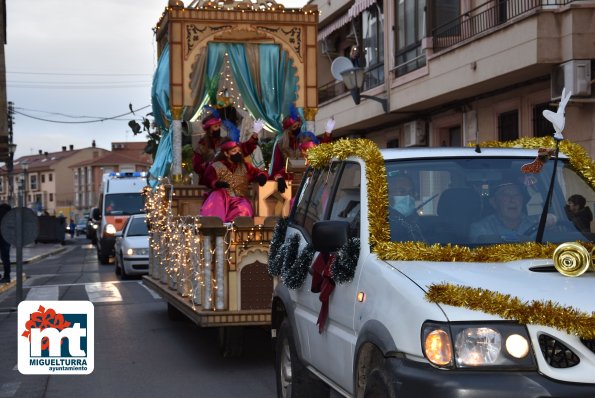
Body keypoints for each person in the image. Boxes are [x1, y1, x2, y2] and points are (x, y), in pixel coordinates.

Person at [199, 138, 269, 222]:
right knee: (217, 195)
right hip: (223, 198)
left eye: (239, 151)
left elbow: (258, 172)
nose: (238, 153)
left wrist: (262, 176)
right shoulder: (215, 166)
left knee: (244, 208)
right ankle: (215, 224)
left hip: (239, 200)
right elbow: (207, 178)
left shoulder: (245, 166)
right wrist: (216, 183)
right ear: (226, 153)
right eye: (234, 151)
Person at [469, 180, 555, 243]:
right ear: (494, 203)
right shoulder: (481, 229)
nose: (512, 199)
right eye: (506, 195)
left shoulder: (537, 224)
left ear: (522, 200)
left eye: (516, 194)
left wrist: (553, 219)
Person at [193, 111, 261, 186]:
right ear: (209, 129)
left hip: (227, 181)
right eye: (216, 127)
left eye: (219, 126)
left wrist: (254, 136)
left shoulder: (224, 141)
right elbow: (197, 167)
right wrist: (209, 165)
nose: (218, 129)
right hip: (209, 182)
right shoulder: (201, 146)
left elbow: (242, 149)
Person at [270, 114, 334, 193]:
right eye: (294, 127)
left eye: (299, 125)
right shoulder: (280, 145)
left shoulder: (306, 139)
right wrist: (279, 178)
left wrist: (327, 133)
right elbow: (276, 169)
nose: (298, 128)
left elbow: (321, 150)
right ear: (288, 130)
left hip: (309, 183)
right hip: (289, 186)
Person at [388, 174, 424, 242]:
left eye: (411, 192)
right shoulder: (384, 224)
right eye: (402, 191)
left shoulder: (418, 221)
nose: (408, 196)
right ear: (388, 194)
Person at [0, 203, 11, 283]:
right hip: (6, 237)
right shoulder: (8, 213)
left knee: (5, 258)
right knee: (5, 258)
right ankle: (7, 276)